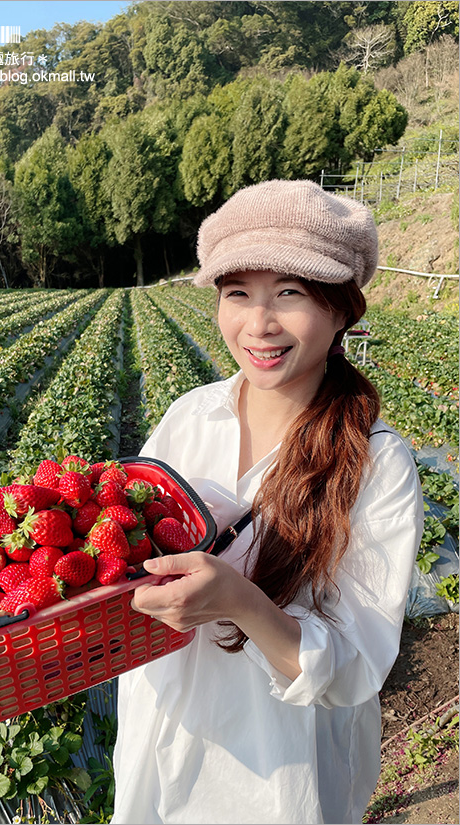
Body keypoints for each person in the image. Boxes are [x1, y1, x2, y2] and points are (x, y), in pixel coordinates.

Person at [111, 179, 424, 825]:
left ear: (342, 310)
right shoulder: (190, 416)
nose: (259, 323)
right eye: (237, 293)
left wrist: (239, 601)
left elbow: (353, 667)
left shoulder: (376, 461)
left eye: (290, 292)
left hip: (280, 769)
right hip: (163, 731)